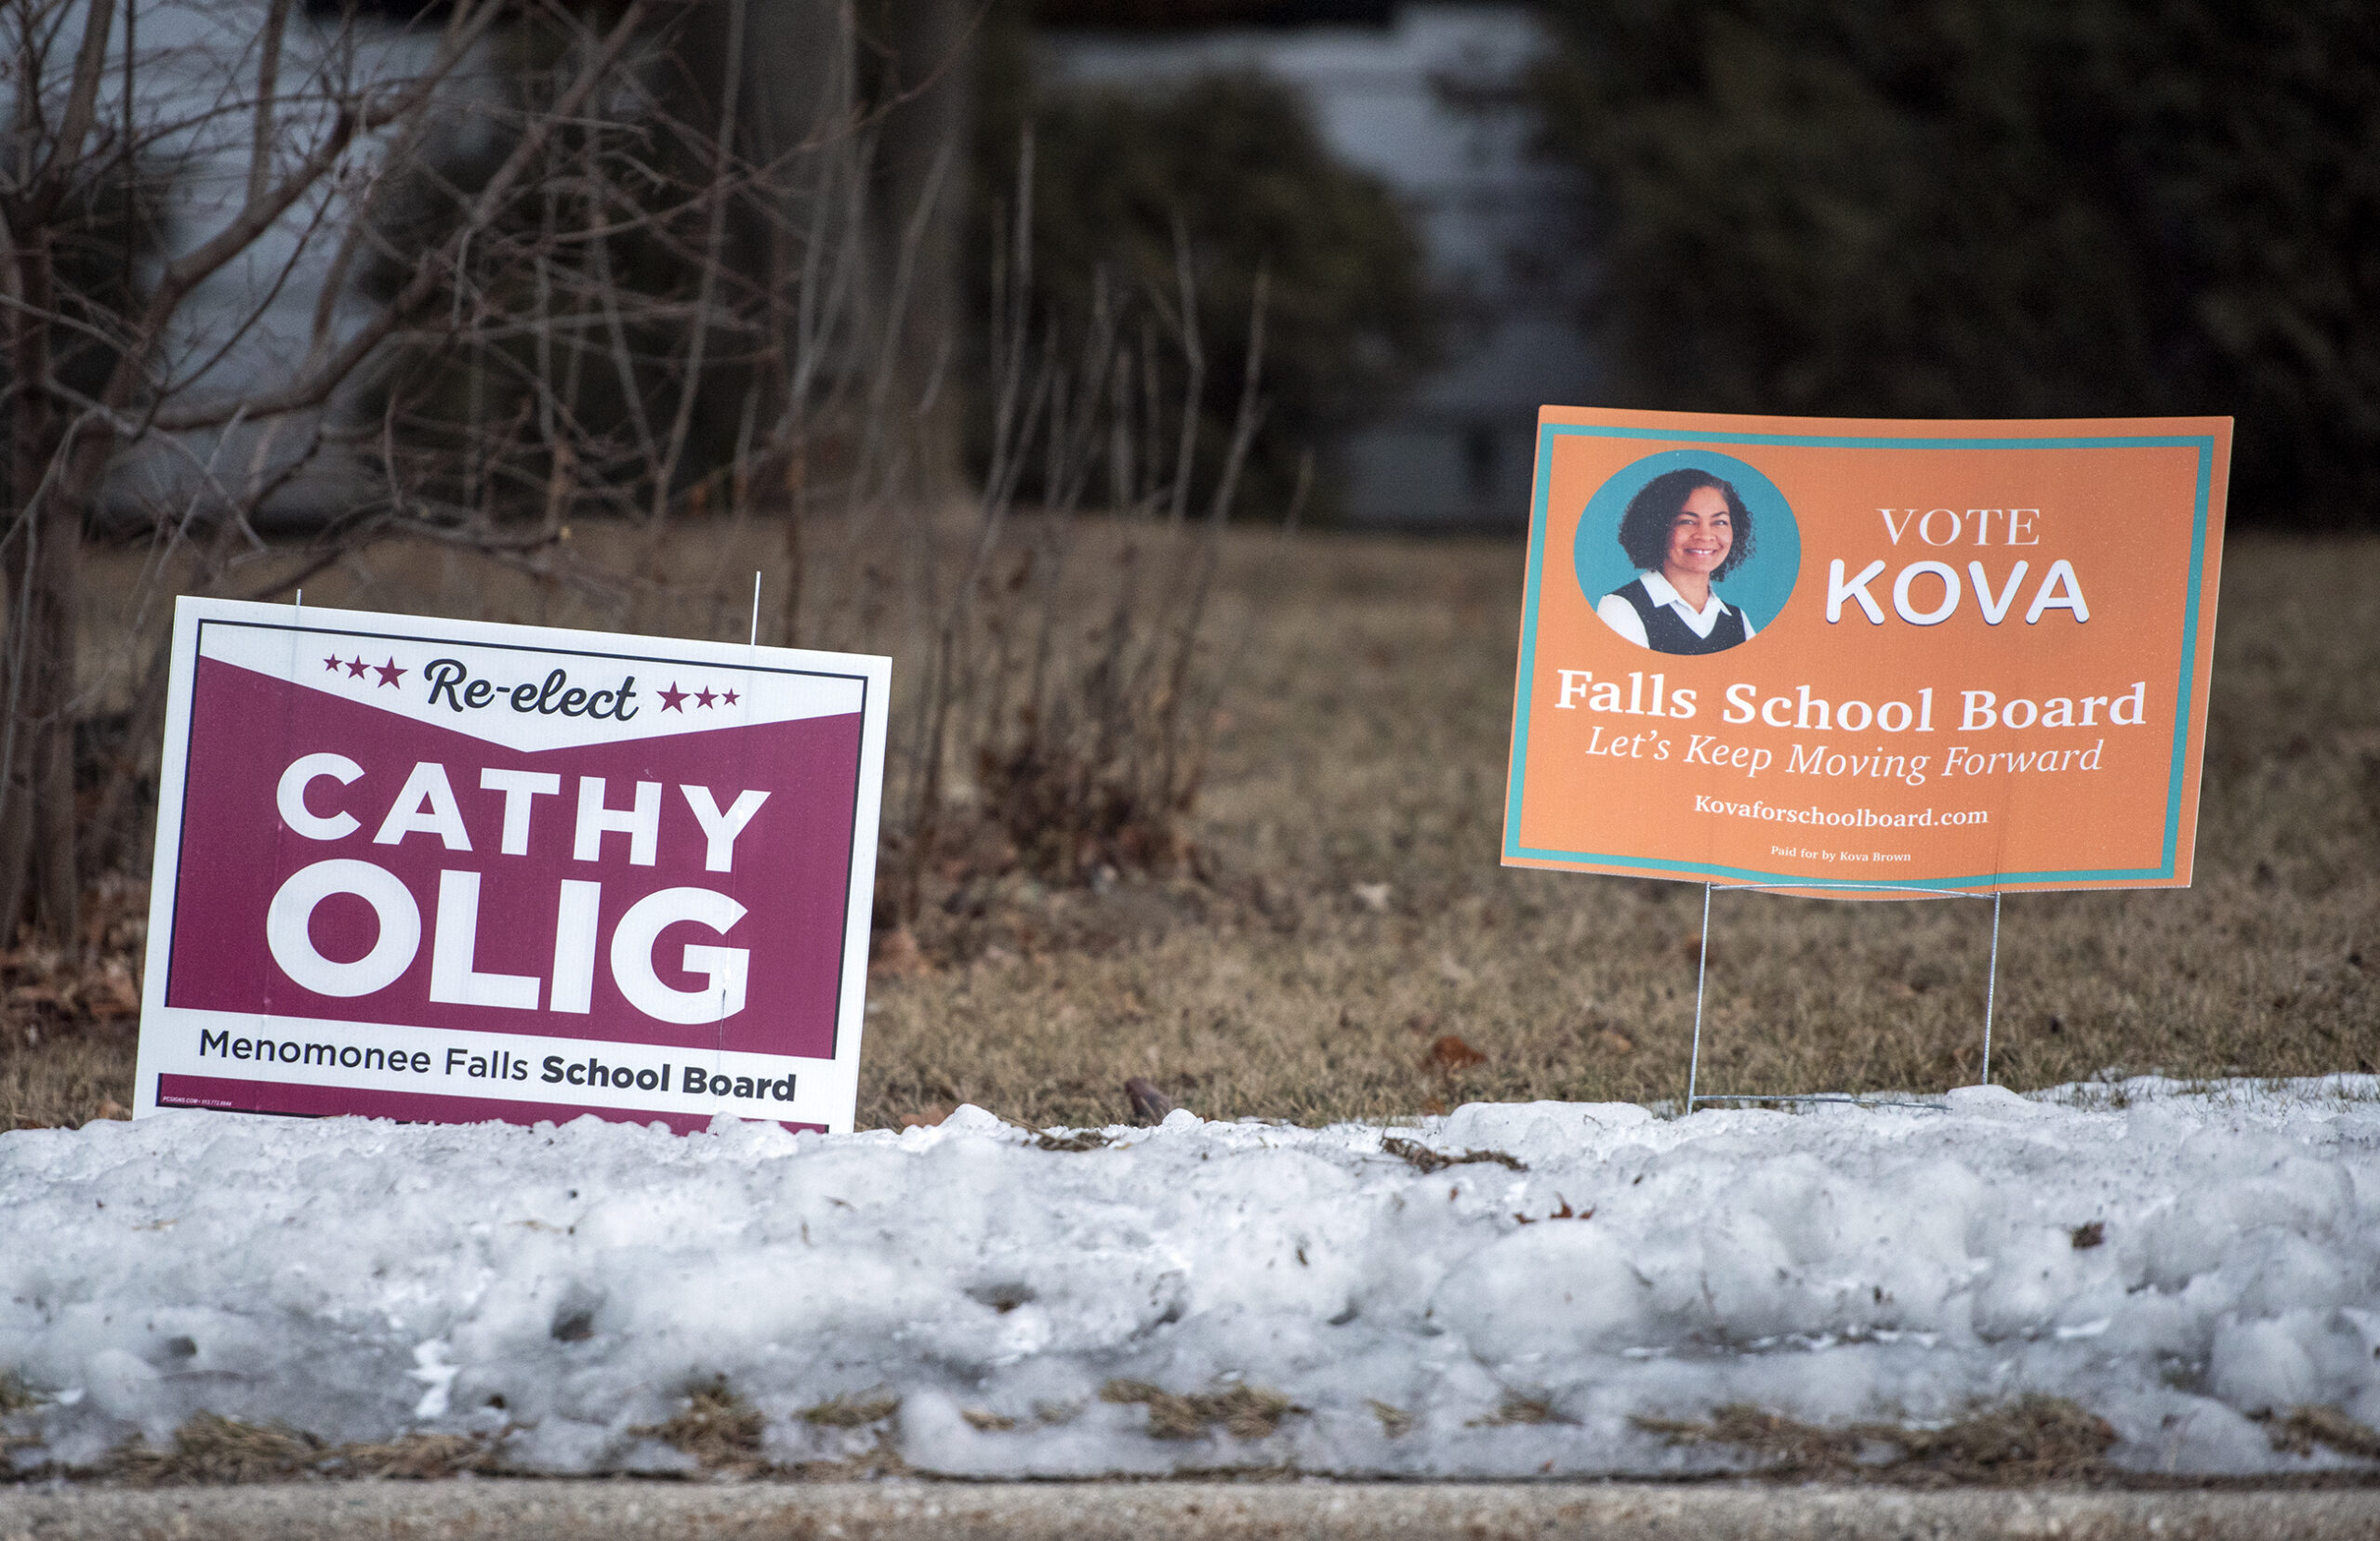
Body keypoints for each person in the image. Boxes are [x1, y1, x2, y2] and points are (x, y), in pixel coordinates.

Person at [1596, 468, 1758, 654]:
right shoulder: (1620, 608)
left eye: (1719, 522)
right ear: (1657, 528)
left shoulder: (1738, 620)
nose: (1706, 535)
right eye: (1687, 521)